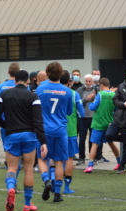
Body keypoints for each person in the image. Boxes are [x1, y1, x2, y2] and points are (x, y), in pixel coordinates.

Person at [0, 70, 47, 211]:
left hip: (12, 135)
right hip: (29, 136)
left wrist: (7, 126)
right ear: (28, 81)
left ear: (15, 81)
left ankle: (11, 188)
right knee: (29, 169)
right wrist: (43, 141)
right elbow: (38, 120)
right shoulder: (33, 95)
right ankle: (27, 204)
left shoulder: (4, 94)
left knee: (12, 168)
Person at [36, 62, 72, 202]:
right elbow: (69, 111)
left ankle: (46, 181)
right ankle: (57, 194)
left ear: (47, 73)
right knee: (59, 161)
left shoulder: (41, 88)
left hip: (44, 129)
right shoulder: (67, 91)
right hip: (60, 130)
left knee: (42, 158)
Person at [83, 77, 120, 173]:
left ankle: (90, 165)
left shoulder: (100, 94)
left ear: (102, 85)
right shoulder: (113, 94)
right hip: (109, 123)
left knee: (94, 144)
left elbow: (93, 107)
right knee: (111, 143)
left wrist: (90, 103)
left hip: (98, 123)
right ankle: (119, 162)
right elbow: (116, 109)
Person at [61, 71, 84, 193]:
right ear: (69, 81)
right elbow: (81, 113)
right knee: (69, 158)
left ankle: (53, 184)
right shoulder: (74, 94)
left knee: (55, 158)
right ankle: (67, 187)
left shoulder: (47, 92)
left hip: (52, 130)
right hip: (69, 130)